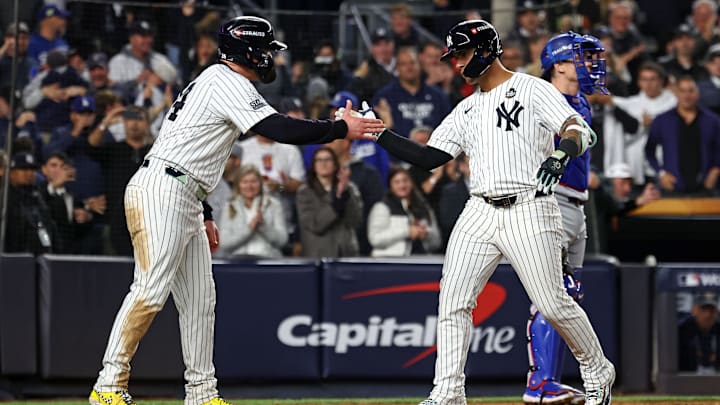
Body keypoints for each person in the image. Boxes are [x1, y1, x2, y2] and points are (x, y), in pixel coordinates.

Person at [88, 15, 384, 405]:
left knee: (200, 301)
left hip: (185, 192)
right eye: (265, 50)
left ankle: (201, 393)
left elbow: (195, 149)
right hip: (162, 190)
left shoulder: (217, 81)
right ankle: (108, 384)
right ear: (247, 51)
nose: (270, 58)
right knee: (150, 289)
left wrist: (205, 210)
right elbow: (279, 129)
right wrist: (339, 129)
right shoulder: (225, 80)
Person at [354, 19, 615, 405]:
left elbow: (577, 128)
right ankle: (448, 392)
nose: (456, 63)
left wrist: (562, 154)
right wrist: (380, 134)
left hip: (529, 207)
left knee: (552, 302)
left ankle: (597, 369)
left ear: (486, 49)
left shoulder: (530, 87)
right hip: (479, 209)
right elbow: (429, 158)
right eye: (453, 56)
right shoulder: (466, 108)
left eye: (461, 53)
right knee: (453, 301)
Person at [519, 31, 610, 404]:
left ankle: (549, 382)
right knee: (553, 295)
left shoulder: (581, 101)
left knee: (568, 297)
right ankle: (539, 382)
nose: (590, 64)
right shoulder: (542, 99)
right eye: (581, 57)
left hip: (578, 204)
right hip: (550, 200)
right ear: (557, 64)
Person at [645, 76, 720, 195]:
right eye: (682, 91)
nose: (687, 95)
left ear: (698, 93)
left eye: (691, 90)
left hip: (706, 187)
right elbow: (649, 150)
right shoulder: (662, 120)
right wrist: (661, 173)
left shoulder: (712, 121)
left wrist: (716, 170)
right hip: (673, 187)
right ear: (676, 93)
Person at [296, 147, 363, 257]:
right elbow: (316, 225)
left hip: (346, 253)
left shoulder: (349, 189)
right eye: (319, 160)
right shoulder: (304, 192)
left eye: (328, 160)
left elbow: (355, 220)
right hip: (318, 254)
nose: (324, 164)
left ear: (335, 164)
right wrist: (337, 201)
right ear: (314, 165)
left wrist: (345, 193)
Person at [216, 164, 287, 258]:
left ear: (260, 183)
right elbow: (224, 243)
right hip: (238, 261)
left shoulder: (274, 205)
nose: (249, 186)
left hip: (268, 260)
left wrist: (262, 226)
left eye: (253, 181)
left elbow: (282, 240)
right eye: (245, 182)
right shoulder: (229, 206)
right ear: (238, 185)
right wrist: (249, 229)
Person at [367, 166, 441, 257]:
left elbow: (437, 242)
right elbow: (375, 239)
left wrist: (426, 233)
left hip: (421, 261)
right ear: (390, 186)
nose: (402, 185)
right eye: (397, 182)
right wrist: (407, 232)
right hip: (389, 263)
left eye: (405, 180)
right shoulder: (382, 208)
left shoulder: (423, 207)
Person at [678, 291, 720, 374]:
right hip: (688, 380)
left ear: (716, 312)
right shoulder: (682, 331)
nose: (707, 315)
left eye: (711, 310)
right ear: (695, 310)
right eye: (703, 309)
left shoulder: (718, 329)